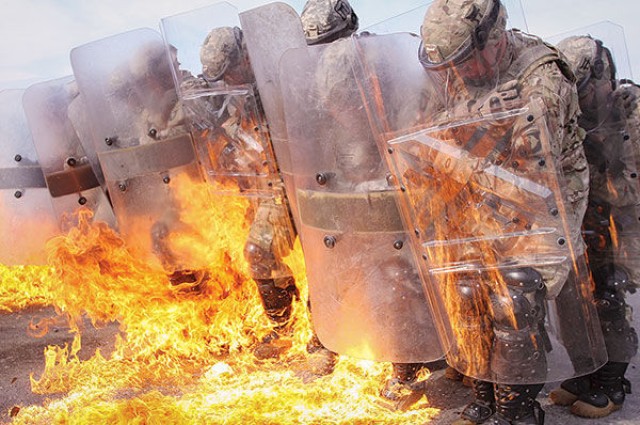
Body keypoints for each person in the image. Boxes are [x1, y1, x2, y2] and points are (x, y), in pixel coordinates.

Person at [415, 0, 599, 423]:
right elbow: (422, 133)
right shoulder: (457, 70)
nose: (459, 74)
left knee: (513, 296)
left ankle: (517, 410)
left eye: (466, 61)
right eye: (452, 67)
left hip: (544, 203)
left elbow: (527, 176)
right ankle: (485, 396)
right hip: (484, 197)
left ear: (494, 39)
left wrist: (453, 147)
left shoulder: (542, 78)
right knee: (467, 290)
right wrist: (479, 114)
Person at [549, 35, 639, 419]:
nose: (580, 99)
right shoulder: (571, 115)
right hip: (583, 222)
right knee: (575, 303)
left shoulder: (631, 112)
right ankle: (588, 371)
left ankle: (612, 380)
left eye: (584, 90)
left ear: (604, 77)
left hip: (623, 223)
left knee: (609, 298)